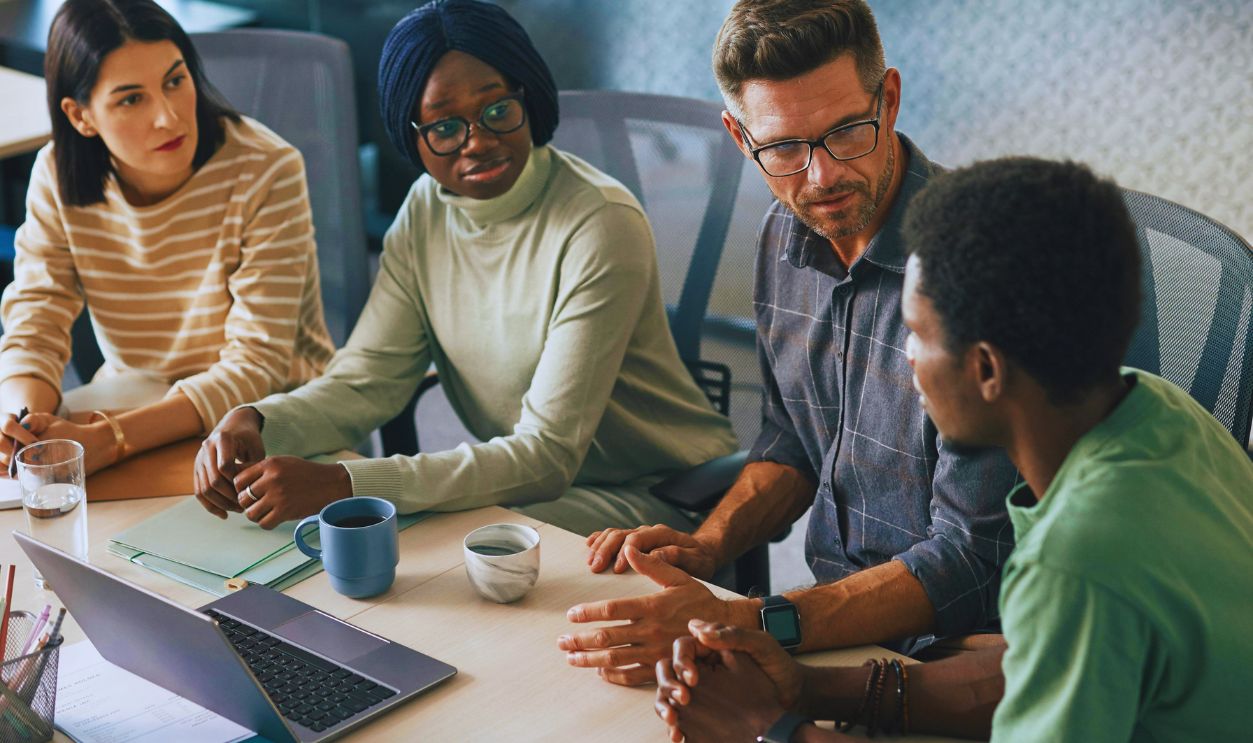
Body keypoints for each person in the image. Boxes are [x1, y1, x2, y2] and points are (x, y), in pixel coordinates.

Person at [653, 157, 1253, 742]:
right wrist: (803, 689)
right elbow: (1028, 665)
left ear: (986, 369)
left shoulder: (1073, 563)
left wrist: (768, 730)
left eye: (917, 333)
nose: (906, 356)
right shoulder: (1166, 412)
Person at [564, 0, 1017, 685]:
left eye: (845, 133)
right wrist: (707, 544)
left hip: (959, 662)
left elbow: (968, 558)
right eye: (781, 147)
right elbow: (793, 439)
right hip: (823, 631)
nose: (819, 177)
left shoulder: (975, 272)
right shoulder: (783, 235)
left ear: (887, 100)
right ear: (738, 136)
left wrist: (758, 623)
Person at [192, 0, 737, 534]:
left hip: (656, 492)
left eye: (497, 110)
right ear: (413, 136)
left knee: (423, 541)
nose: (477, 142)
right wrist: (260, 420)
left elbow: (546, 455)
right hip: (537, 485)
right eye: (445, 128)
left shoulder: (598, 222)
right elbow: (366, 383)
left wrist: (344, 482)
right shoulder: (426, 210)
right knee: (397, 539)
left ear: (530, 99)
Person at [0, 0, 334, 476]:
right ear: (81, 116)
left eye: (176, 81)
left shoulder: (266, 168)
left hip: (265, 420)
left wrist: (112, 440)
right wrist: (20, 421)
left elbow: (258, 365)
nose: (170, 117)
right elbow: (37, 318)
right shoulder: (57, 174)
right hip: (133, 402)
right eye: (132, 98)